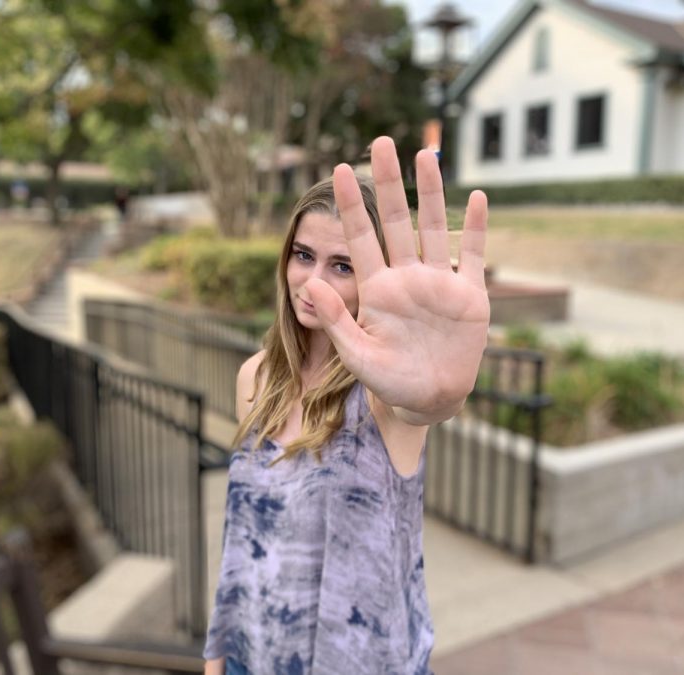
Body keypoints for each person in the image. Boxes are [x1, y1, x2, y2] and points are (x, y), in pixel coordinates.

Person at [202, 136, 489, 675]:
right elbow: (242, 535)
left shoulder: (382, 395)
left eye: (343, 265)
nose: (314, 283)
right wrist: (217, 657)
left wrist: (439, 390)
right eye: (304, 256)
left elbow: (421, 406)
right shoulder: (254, 378)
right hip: (253, 656)